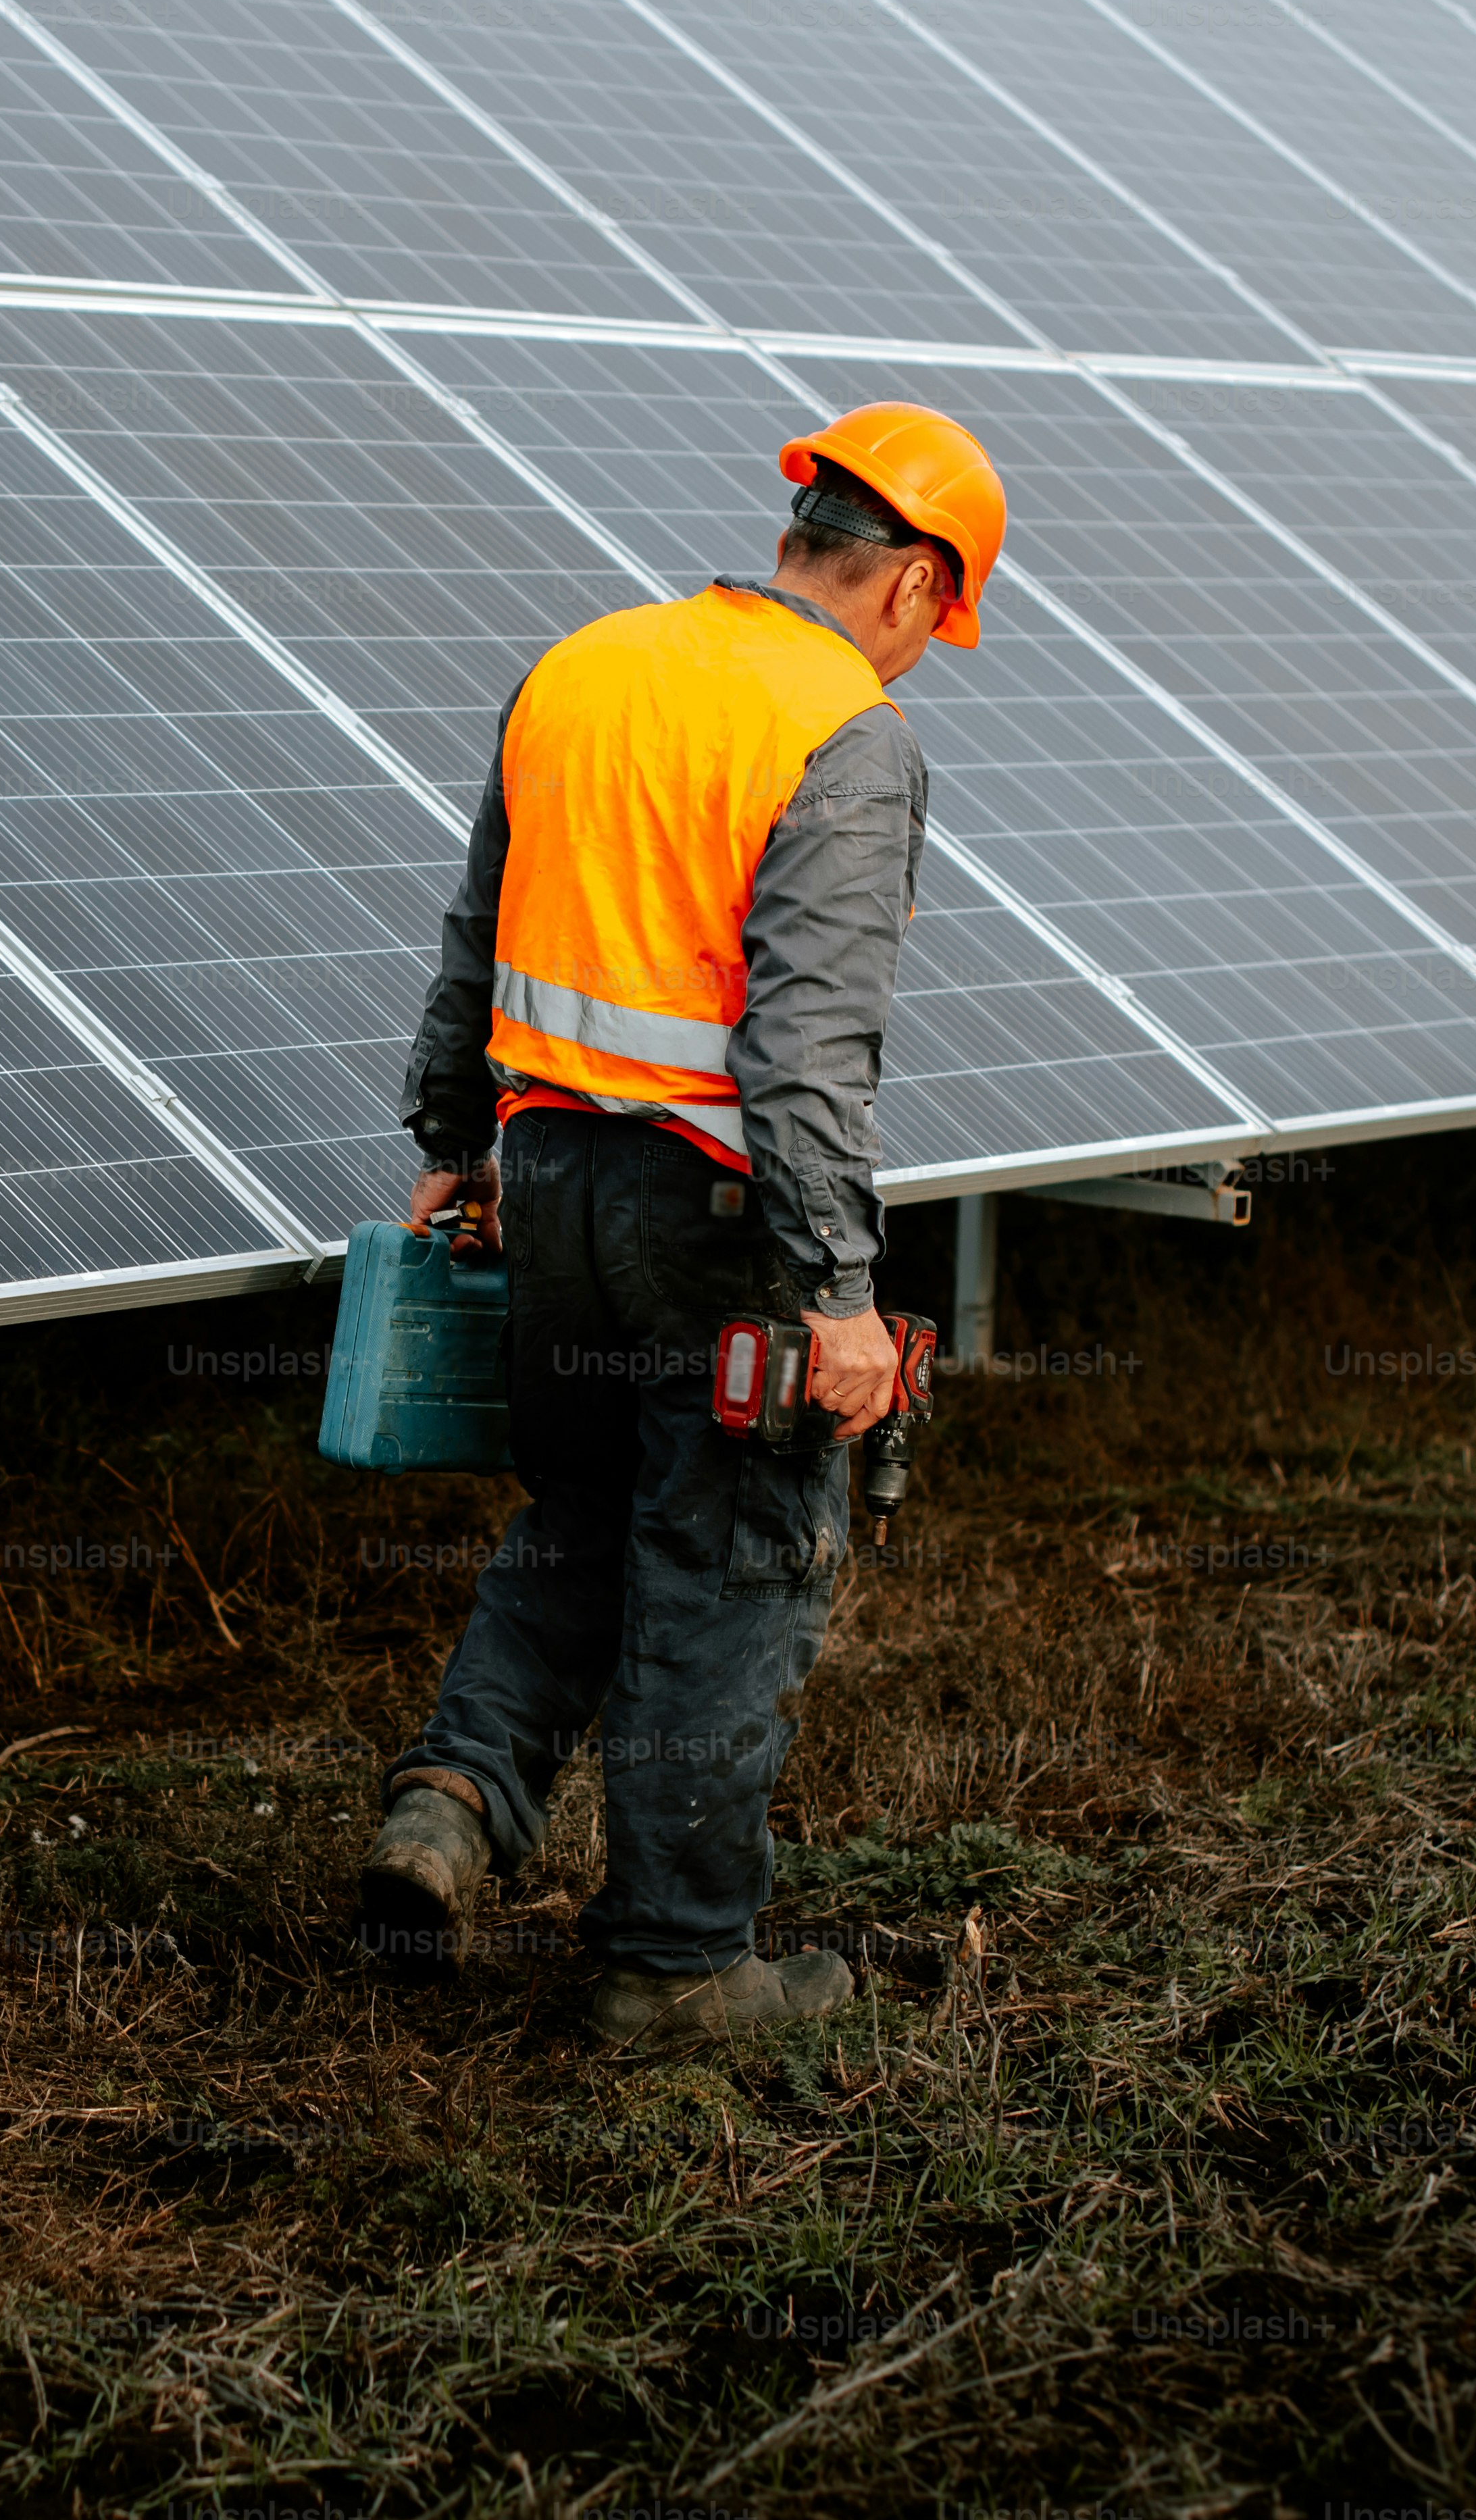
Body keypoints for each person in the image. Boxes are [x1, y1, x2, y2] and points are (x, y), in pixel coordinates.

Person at [357, 403, 1004, 2055]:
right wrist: (839, 1289)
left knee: (581, 1513)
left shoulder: (580, 664)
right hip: (712, 1224)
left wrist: (458, 1141)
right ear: (917, 584)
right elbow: (802, 1055)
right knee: (727, 1564)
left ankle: (447, 1806)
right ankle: (674, 1967)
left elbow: (472, 932)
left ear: (800, 533)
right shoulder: (842, 733)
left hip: (549, 1187)